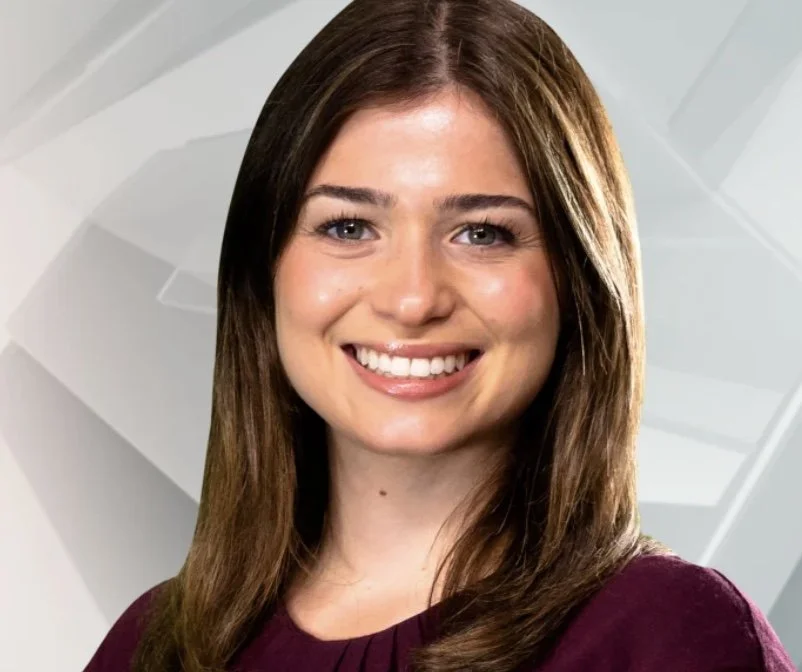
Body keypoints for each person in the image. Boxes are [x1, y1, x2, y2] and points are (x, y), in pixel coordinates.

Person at [83, 0, 796, 670]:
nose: (413, 298)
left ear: (578, 277)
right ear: (264, 268)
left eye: (482, 233)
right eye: (349, 227)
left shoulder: (673, 634)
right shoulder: (152, 645)